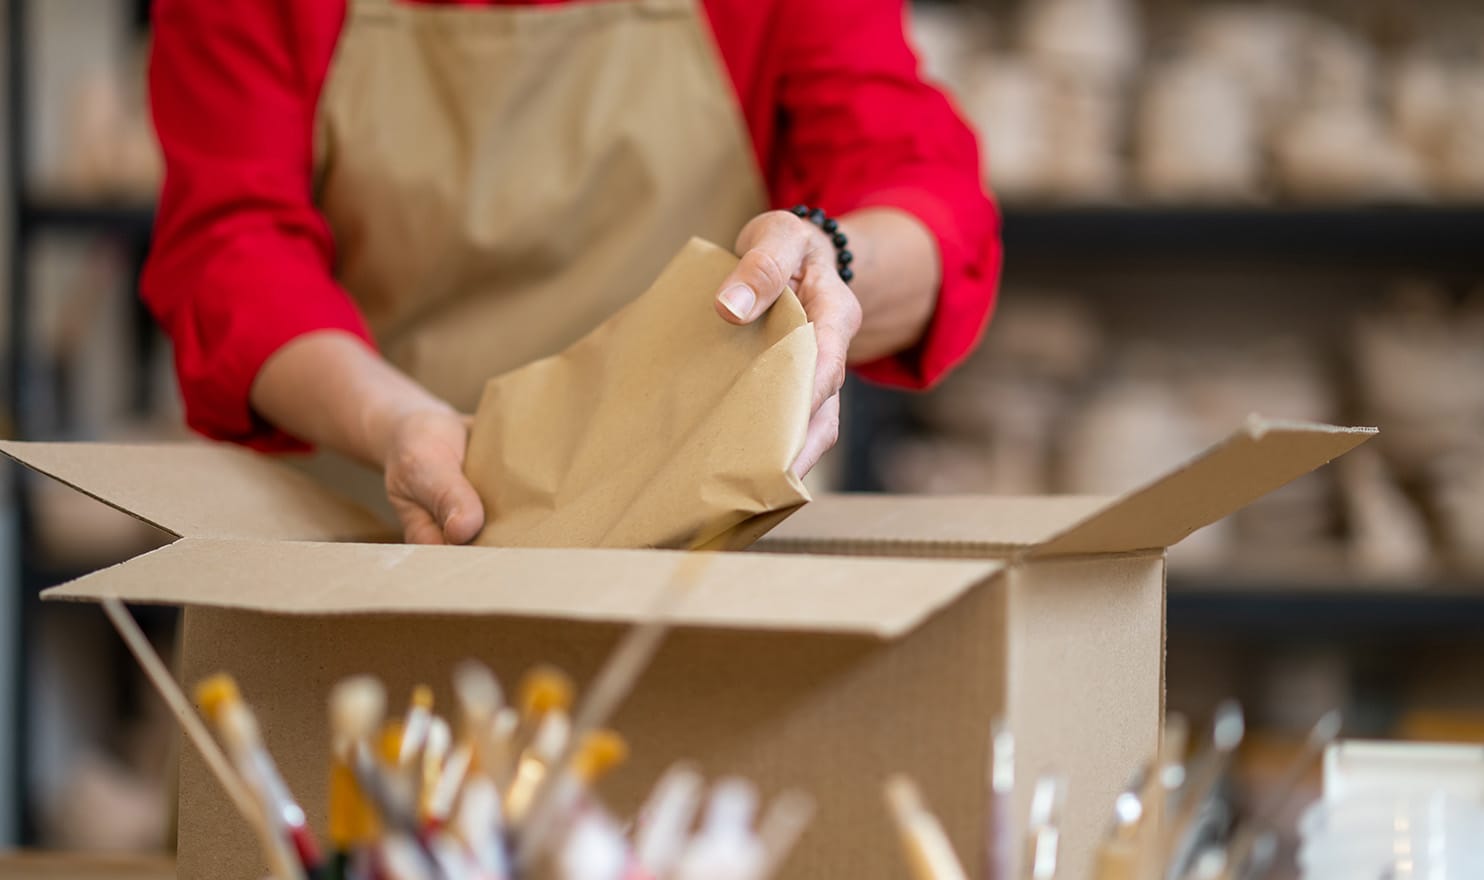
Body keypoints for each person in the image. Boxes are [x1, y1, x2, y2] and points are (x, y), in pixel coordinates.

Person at [143, 0, 1002, 545]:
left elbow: (923, 193)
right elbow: (231, 244)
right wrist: (393, 422)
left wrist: (829, 263)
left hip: (692, 555)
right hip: (367, 526)